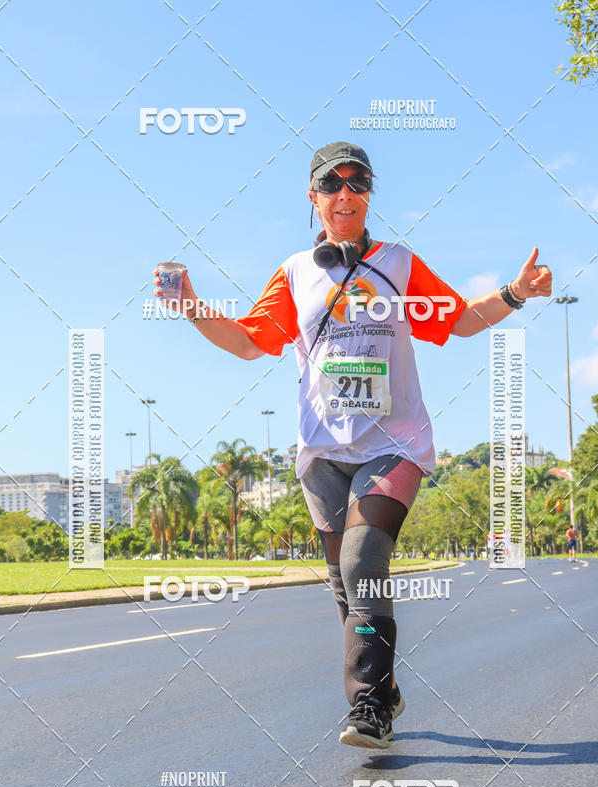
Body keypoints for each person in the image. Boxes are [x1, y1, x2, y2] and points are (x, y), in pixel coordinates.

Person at [154, 141, 553, 750]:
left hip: (394, 443)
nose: (346, 194)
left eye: (358, 183)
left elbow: (459, 321)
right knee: (346, 585)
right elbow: (246, 341)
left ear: (369, 194)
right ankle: (383, 685)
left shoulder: (398, 262)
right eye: (332, 184)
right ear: (313, 198)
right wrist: (189, 306)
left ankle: (369, 709)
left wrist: (516, 293)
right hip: (321, 453)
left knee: (364, 560)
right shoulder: (296, 272)